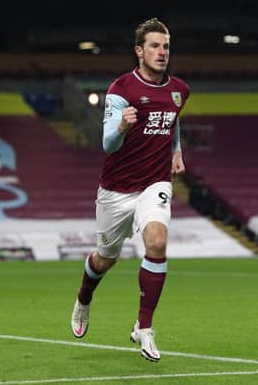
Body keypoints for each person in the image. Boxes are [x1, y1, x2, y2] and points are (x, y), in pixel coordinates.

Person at [70, 18, 189, 362]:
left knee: (156, 242)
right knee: (104, 258)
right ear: (139, 51)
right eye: (154, 46)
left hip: (155, 182)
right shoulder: (120, 90)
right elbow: (108, 144)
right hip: (116, 190)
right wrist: (121, 126)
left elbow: (173, 116)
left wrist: (177, 149)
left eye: (166, 46)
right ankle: (83, 299)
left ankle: (145, 326)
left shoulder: (180, 88)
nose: (161, 52)